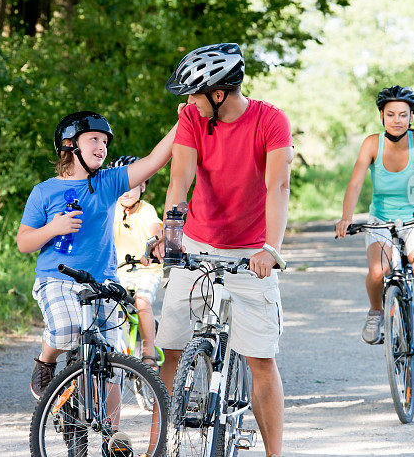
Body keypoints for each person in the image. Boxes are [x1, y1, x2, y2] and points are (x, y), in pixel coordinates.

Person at [154, 42, 293, 457]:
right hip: (196, 241)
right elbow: (179, 180)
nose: (189, 102)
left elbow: (278, 187)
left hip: (251, 253)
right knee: (174, 349)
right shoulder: (191, 118)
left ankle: (274, 454)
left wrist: (270, 248)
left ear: (218, 94)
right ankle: (156, 446)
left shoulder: (271, 121)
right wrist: (171, 236)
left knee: (261, 361)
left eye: (195, 93)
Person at [17, 111, 177, 400]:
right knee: (66, 330)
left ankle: (112, 438)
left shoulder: (108, 182)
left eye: (105, 141)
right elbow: (24, 243)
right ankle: (47, 359)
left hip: (102, 281)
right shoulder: (44, 192)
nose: (102, 146)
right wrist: (53, 228)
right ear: (69, 144)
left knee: (111, 364)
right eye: (94, 139)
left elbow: (155, 161)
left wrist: (185, 120)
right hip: (57, 279)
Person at [334, 85, 414, 378]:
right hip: (381, 220)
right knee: (378, 272)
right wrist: (346, 217)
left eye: (403, 114)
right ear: (381, 116)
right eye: (390, 114)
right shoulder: (372, 144)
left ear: (411, 117)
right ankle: (376, 311)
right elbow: (356, 182)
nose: (397, 120)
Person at [110, 155, 164, 369]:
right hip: (119, 271)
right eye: (121, 184)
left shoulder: (147, 210)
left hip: (146, 270)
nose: (126, 190)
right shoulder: (111, 209)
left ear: (142, 185)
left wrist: (151, 247)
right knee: (104, 302)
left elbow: (154, 230)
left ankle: (148, 351)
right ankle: (113, 349)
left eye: (131, 185)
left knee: (142, 300)